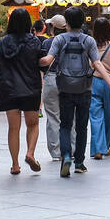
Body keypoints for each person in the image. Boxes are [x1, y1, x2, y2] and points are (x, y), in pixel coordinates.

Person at [40, 6, 110, 177]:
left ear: (66, 23)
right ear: (83, 22)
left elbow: (48, 60)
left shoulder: (59, 39)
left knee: (65, 124)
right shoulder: (88, 41)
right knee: (82, 126)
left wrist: (34, 59)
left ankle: (66, 156)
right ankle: (79, 163)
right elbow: (97, 64)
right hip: (84, 88)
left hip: (65, 88)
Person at [0, 7, 46, 174]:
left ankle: (15, 165)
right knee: (33, 124)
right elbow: (41, 64)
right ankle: (30, 153)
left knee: (13, 128)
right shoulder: (34, 42)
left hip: (8, 89)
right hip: (30, 88)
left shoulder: (3, 42)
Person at [89, 18, 110, 159]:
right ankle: (105, 146)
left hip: (94, 83)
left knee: (96, 117)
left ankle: (98, 148)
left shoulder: (90, 45)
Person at [41, 13, 69, 161]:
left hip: (52, 78)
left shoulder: (47, 43)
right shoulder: (72, 40)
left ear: (52, 27)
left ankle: (56, 152)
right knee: (71, 116)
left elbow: (43, 63)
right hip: (70, 80)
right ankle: (70, 148)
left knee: (52, 116)